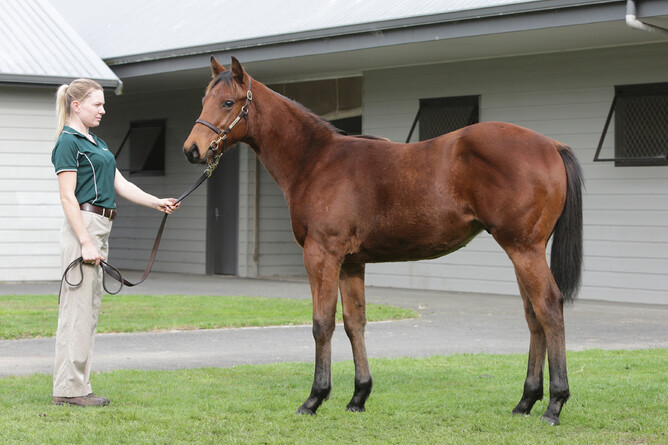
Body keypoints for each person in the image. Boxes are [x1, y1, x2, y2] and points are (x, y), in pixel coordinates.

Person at [51, 79, 179, 407]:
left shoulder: (96, 142)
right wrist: (85, 242)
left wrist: (156, 202)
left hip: (101, 226)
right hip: (85, 226)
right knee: (77, 312)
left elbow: (120, 183)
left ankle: (76, 386)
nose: (103, 110)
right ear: (76, 105)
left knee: (88, 311)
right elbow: (67, 198)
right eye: (97, 104)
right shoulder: (68, 143)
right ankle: (69, 390)